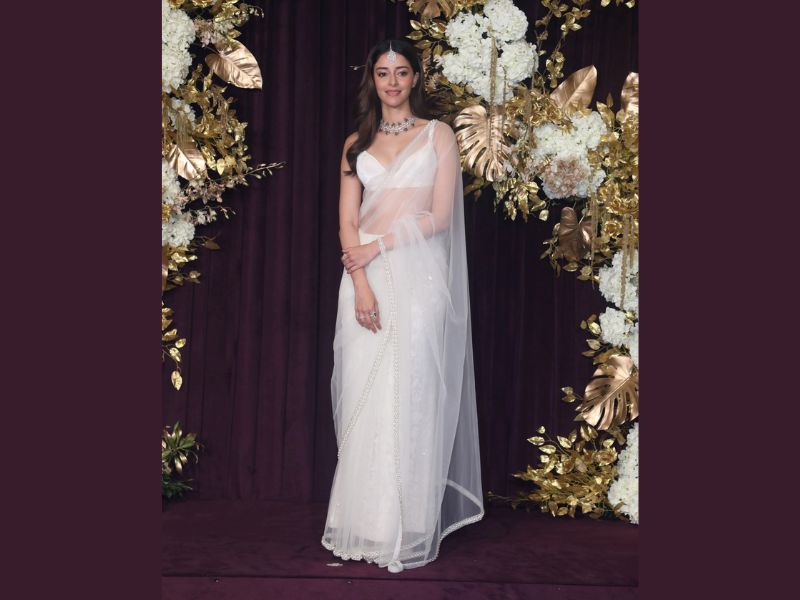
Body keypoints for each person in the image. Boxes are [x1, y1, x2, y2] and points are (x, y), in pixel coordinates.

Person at [321, 38, 484, 573]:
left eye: (402, 72)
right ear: (372, 78)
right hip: (363, 276)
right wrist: (361, 279)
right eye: (383, 72)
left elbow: (440, 217)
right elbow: (348, 222)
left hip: (418, 274)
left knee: (413, 390)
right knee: (362, 389)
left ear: (415, 77)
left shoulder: (438, 136)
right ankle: (365, 521)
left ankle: (407, 523)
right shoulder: (356, 143)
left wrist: (380, 247)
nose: (392, 82)